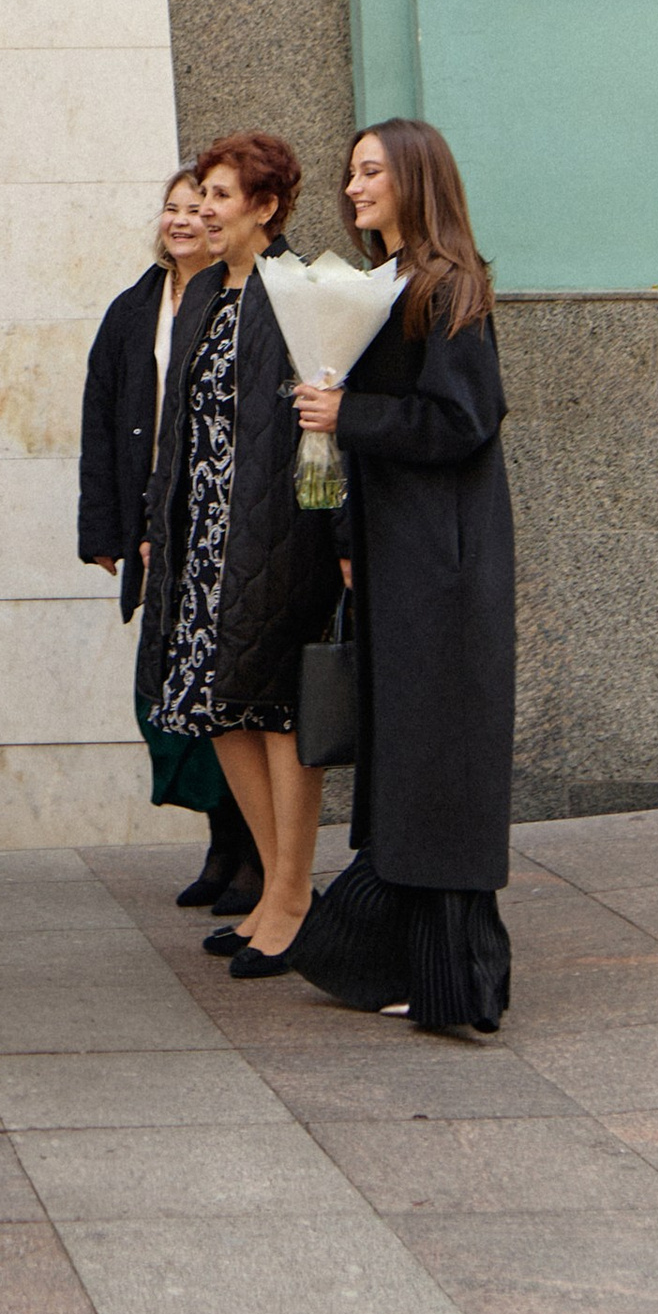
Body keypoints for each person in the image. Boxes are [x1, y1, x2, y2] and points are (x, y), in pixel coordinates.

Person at [289, 119, 517, 1038]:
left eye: (371, 171)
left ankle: (456, 976)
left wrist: (350, 411)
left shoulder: (450, 285)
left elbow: (462, 419)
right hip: (399, 557)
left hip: (444, 567)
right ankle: (414, 965)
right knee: (412, 760)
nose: (352, 187)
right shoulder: (390, 285)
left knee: (436, 762)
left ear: (416, 179)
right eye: (350, 173)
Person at [136, 130, 340, 977]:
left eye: (222, 196)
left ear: (267, 206)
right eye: (203, 194)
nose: (207, 209)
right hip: (202, 539)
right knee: (217, 707)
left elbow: (320, 426)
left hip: (275, 535)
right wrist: (158, 523)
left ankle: (294, 895)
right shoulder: (207, 295)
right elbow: (176, 428)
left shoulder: (301, 292)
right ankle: (272, 886)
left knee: (277, 712)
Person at [78, 168, 262, 917]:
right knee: (172, 692)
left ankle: (253, 852)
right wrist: (105, 528)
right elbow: (99, 417)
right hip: (157, 525)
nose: (185, 219)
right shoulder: (132, 309)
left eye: (201, 206)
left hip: (218, 523)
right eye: (175, 207)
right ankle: (223, 842)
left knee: (227, 688)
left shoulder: (244, 296)